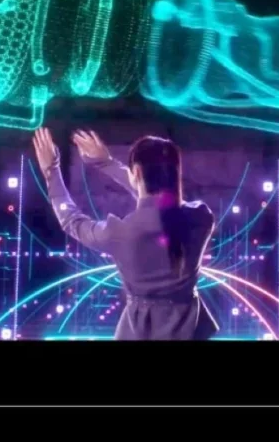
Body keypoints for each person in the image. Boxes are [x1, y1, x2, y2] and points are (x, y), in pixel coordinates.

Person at [33, 127, 218, 340]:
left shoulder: (121, 232)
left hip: (140, 332)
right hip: (191, 330)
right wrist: (106, 163)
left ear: (136, 172)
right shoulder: (201, 218)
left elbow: (71, 221)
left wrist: (52, 172)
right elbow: (162, 205)